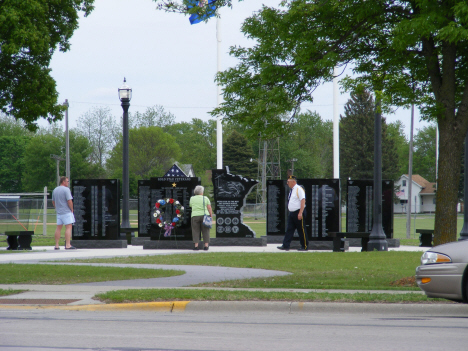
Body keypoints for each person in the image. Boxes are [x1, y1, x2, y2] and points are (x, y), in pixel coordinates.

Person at [278, 175, 309, 251]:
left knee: (301, 230)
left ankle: (304, 246)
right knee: (289, 229)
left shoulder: (299, 189)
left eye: (288, 182)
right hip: (292, 213)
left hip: (298, 212)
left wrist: (300, 212)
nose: (287, 183)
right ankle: (286, 245)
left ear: (293, 182)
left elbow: (303, 200)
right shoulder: (292, 190)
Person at [52, 176, 76, 250]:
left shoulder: (55, 189)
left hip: (59, 212)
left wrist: (57, 208)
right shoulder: (66, 190)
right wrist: (72, 209)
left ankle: (56, 245)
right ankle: (68, 245)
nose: (68, 183)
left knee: (58, 228)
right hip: (66, 211)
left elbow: (53, 201)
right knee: (68, 227)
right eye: (67, 181)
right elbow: (69, 200)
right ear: (63, 182)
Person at [189, 185, 212, 251]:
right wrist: (210, 215)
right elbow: (209, 207)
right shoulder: (205, 198)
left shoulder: (192, 198)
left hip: (195, 215)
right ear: (202, 192)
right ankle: (206, 246)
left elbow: (191, 205)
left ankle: (196, 246)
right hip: (205, 215)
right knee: (206, 231)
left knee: (195, 231)